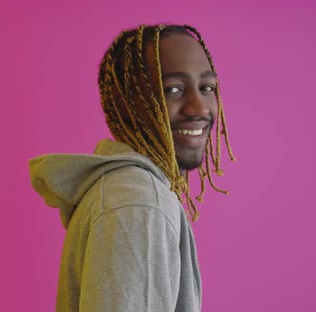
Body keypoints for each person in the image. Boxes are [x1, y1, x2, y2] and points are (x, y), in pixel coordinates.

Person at [29, 24, 236, 312]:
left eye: (207, 88)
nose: (199, 107)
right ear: (127, 103)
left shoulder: (124, 192)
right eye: (174, 89)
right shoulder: (138, 205)